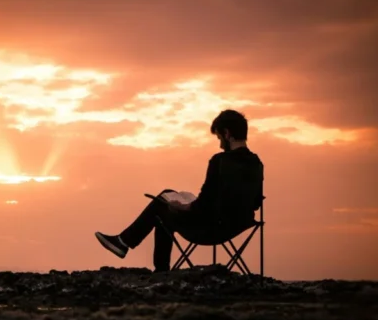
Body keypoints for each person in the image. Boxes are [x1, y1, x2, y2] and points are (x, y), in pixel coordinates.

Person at [94, 109, 264, 273]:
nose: (220, 145)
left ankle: (137, 252)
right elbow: (256, 203)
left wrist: (183, 206)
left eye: (219, 138)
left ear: (227, 133)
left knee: (162, 206)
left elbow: (203, 204)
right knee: (167, 196)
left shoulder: (219, 161)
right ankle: (127, 244)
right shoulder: (257, 163)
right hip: (236, 226)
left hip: (210, 229)